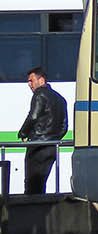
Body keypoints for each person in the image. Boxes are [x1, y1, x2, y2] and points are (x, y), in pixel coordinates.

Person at [18, 66, 67, 195]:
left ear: (41, 80)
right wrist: (54, 138)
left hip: (37, 146)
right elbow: (64, 126)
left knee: (31, 184)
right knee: (42, 183)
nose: (29, 84)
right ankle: (41, 210)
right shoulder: (60, 99)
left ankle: (31, 212)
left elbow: (33, 116)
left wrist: (23, 133)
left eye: (31, 80)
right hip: (51, 147)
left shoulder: (39, 94)